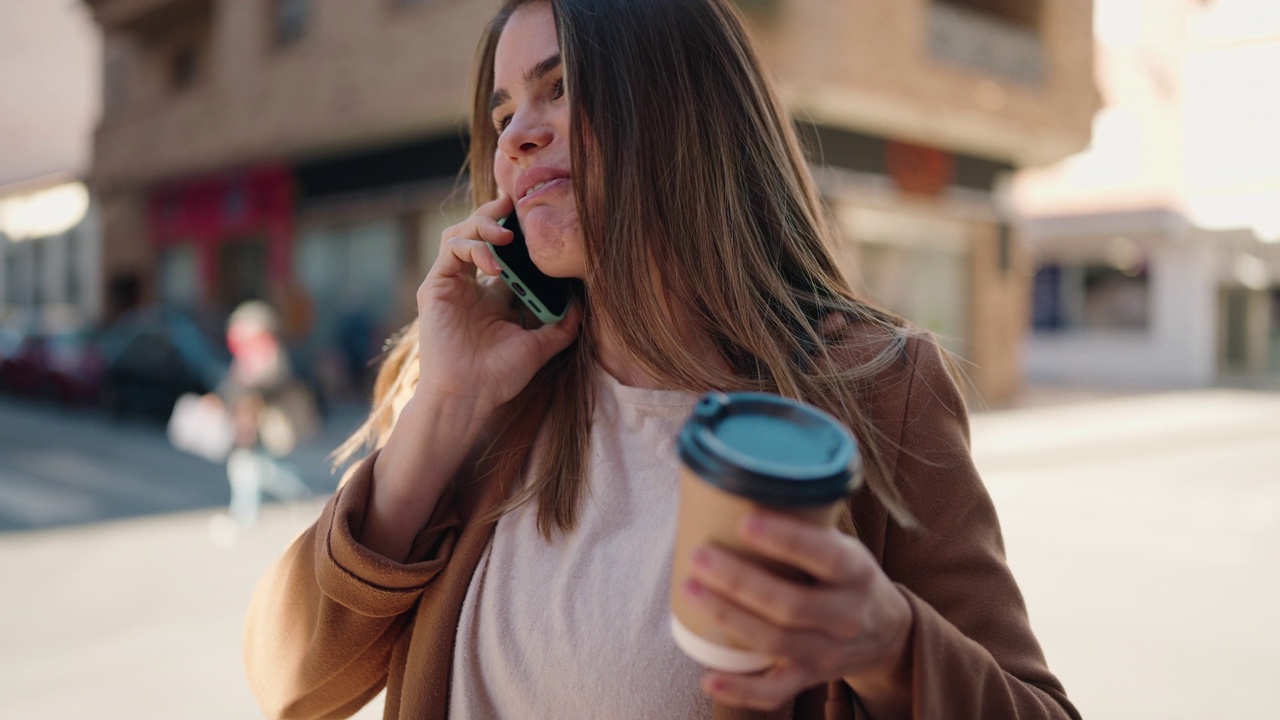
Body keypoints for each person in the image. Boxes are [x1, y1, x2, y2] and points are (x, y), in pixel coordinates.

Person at [243, 1, 1079, 718]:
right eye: (502, 118)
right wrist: (444, 407)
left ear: (682, 105)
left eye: (559, 87)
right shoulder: (486, 393)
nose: (517, 139)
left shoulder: (874, 390)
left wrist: (893, 645)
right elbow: (288, 687)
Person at [209, 300, 314, 540]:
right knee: (250, 467)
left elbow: (275, 382)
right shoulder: (246, 353)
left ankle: (253, 511)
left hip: (265, 421)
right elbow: (232, 383)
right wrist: (220, 398)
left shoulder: (269, 350)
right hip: (246, 422)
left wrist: (250, 392)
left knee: (256, 468)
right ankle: (251, 512)